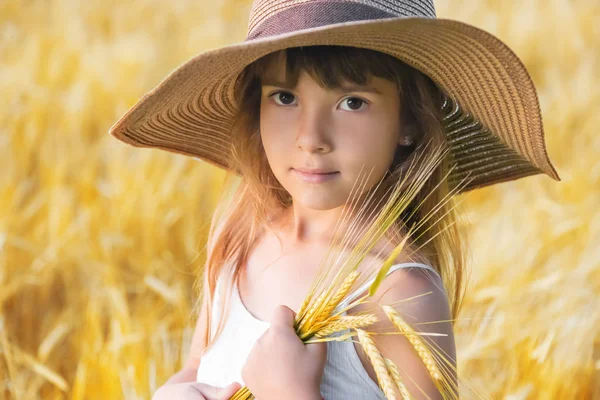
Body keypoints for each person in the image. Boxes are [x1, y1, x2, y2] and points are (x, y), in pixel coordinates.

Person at [109, 1, 560, 399]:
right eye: (284, 97)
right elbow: (198, 365)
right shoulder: (239, 238)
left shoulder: (397, 290)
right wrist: (177, 389)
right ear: (255, 108)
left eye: (352, 103)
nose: (311, 138)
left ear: (410, 124)